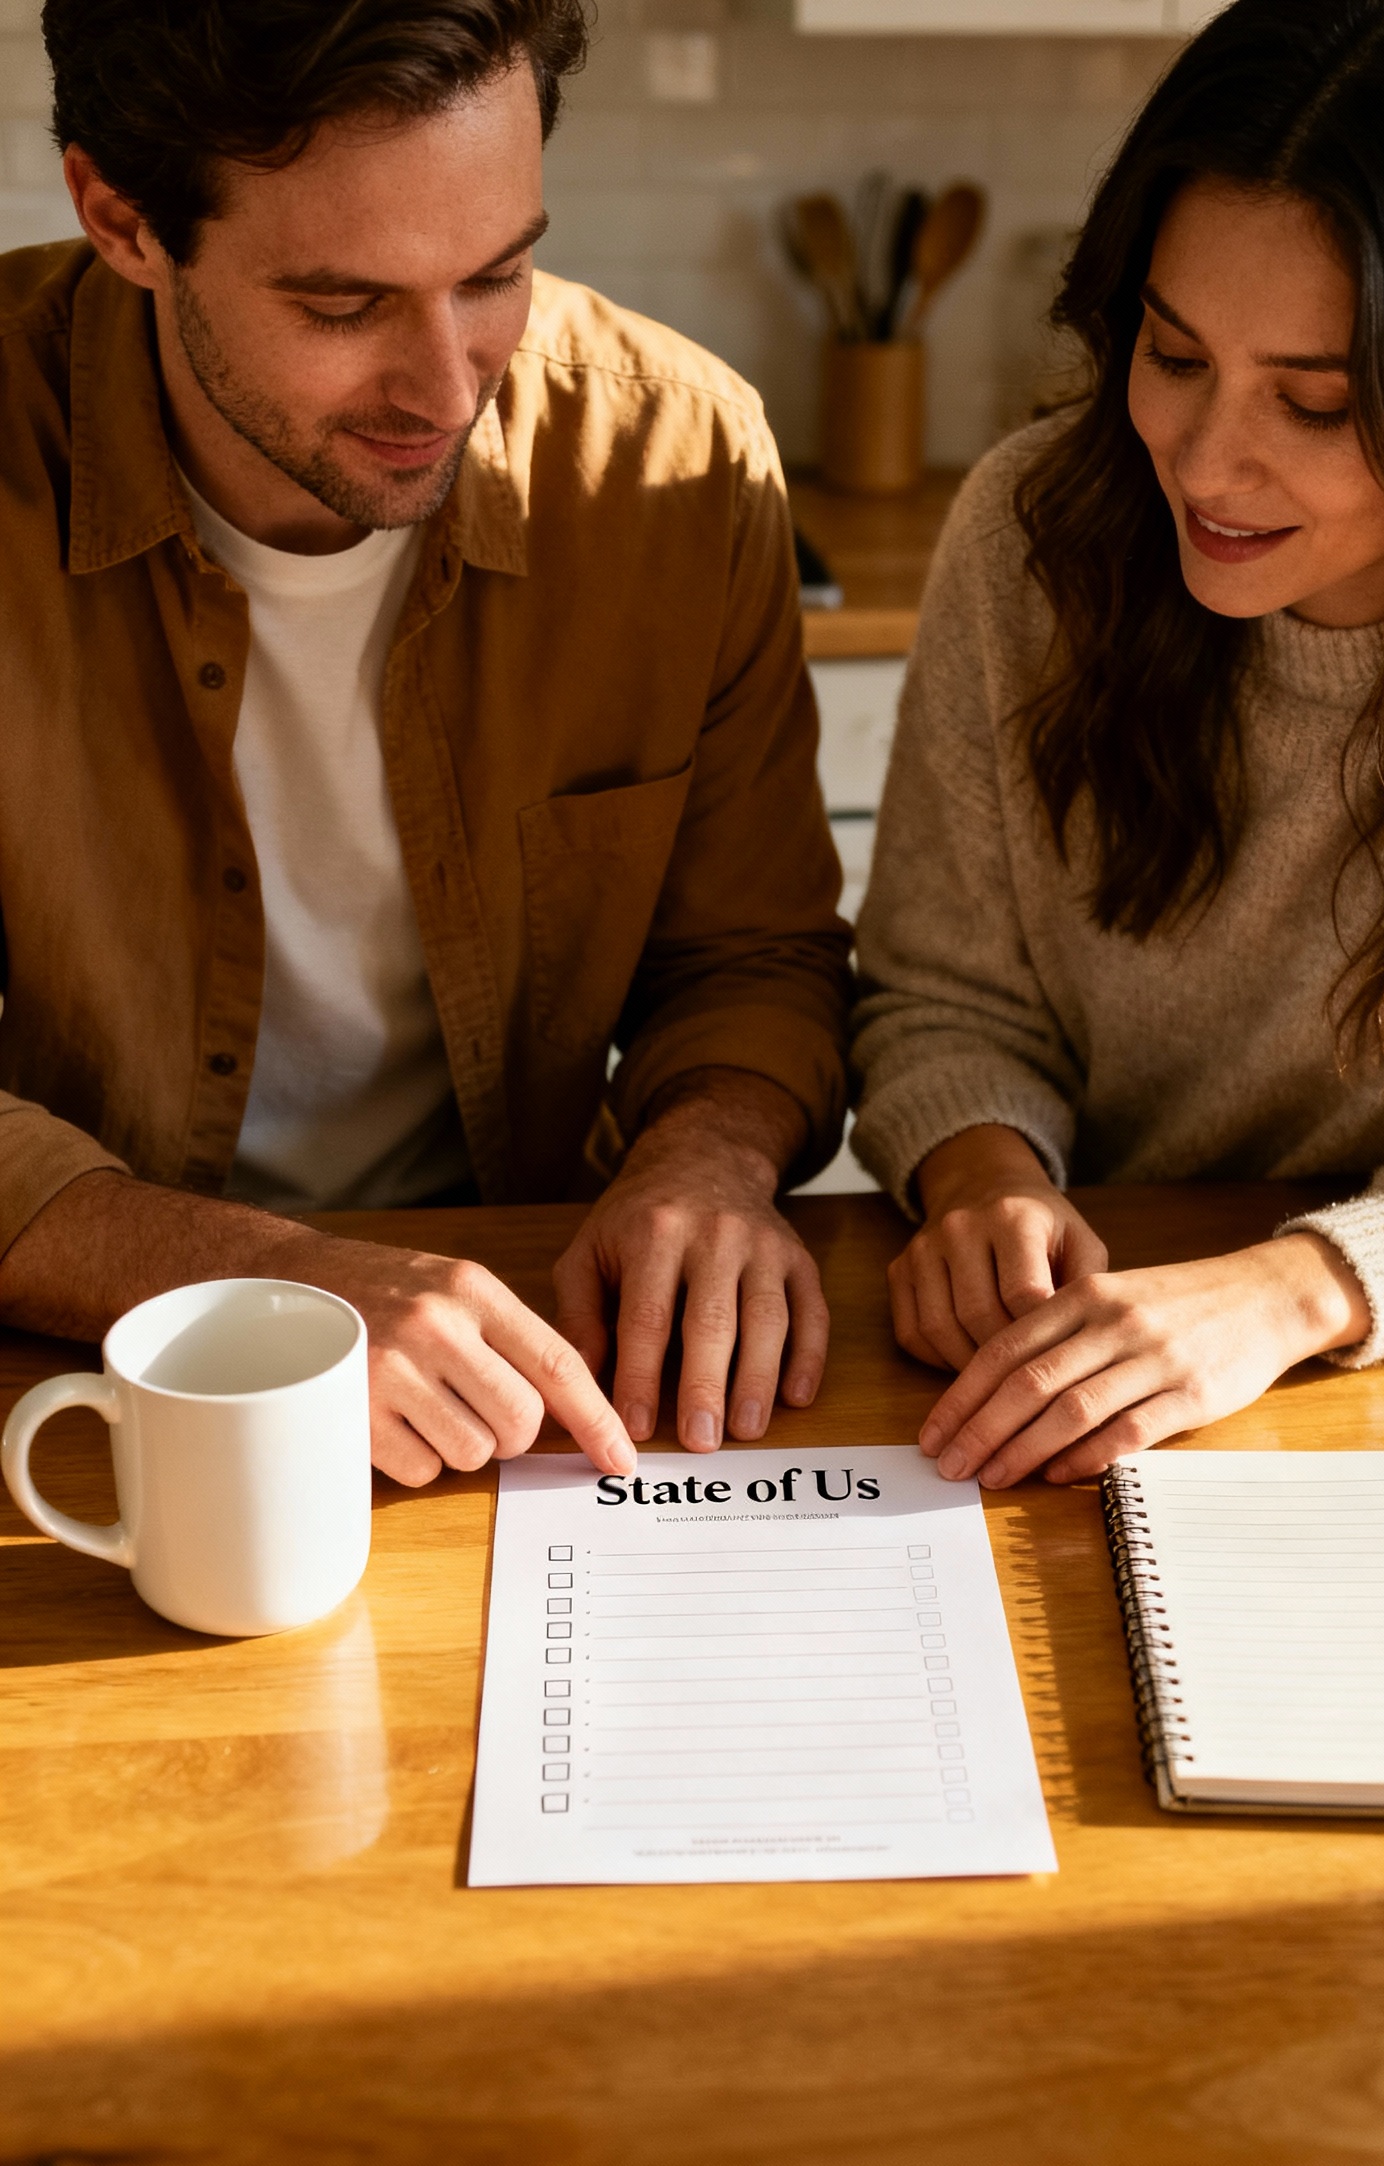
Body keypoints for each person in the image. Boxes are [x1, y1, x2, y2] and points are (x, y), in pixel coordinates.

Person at [0, 0, 851, 1487]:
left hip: (533, 1358)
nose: (452, 387)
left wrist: (705, 1156)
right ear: (120, 219)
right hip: (85, 1367)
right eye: (344, 307)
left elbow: (753, 959)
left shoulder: (678, 462)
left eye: (497, 275)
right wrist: (276, 1280)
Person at [851, 0, 1384, 1490]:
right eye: (1175, 357)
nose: (1206, 459)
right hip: (1087, 1375)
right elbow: (942, 994)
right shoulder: (1032, 540)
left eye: (1312, 402)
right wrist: (979, 1172)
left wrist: (1304, 1286)